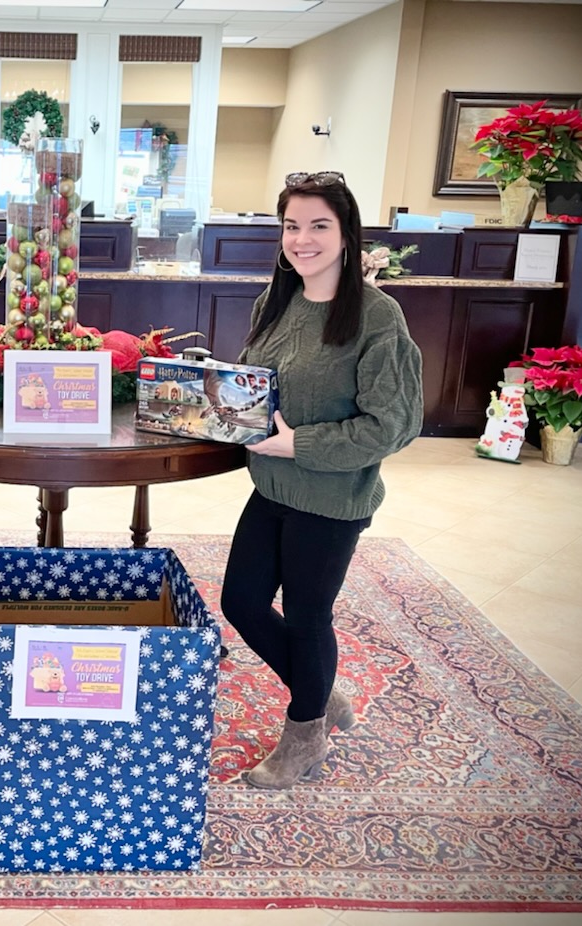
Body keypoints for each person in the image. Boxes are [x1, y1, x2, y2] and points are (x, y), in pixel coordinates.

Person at [220, 171, 423, 789]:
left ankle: (305, 735)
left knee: (309, 617)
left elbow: (395, 425)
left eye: (318, 226)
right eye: (291, 226)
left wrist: (296, 443)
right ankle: (321, 688)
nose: (302, 239)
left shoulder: (378, 316)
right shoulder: (275, 301)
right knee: (241, 602)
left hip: (333, 497)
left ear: (346, 235)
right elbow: (256, 385)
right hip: (274, 486)